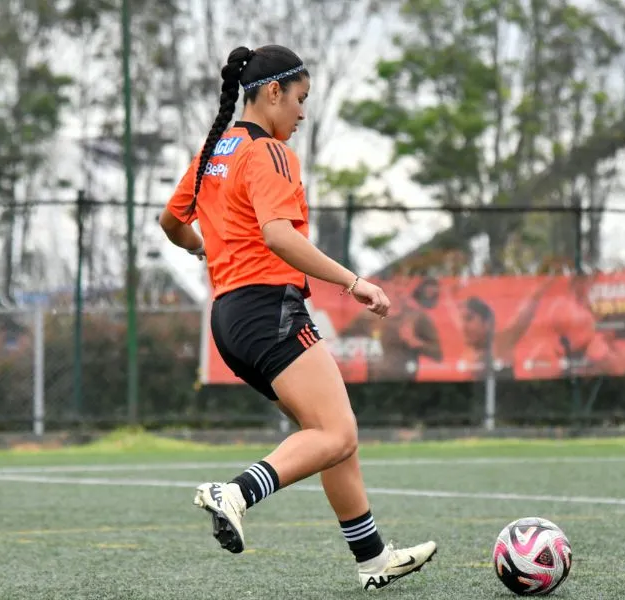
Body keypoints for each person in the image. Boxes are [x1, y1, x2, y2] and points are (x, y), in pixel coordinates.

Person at [158, 45, 437, 591]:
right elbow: (279, 235)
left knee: (330, 434)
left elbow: (170, 223)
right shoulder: (270, 153)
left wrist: (205, 252)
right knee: (336, 431)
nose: (303, 114)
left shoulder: (216, 149)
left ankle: (372, 558)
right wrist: (353, 282)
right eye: (301, 99)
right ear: (273, 93)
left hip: (229, 320)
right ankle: (235, 493)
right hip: (267, 311)